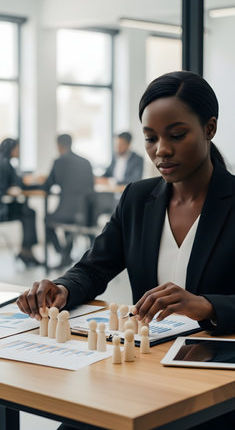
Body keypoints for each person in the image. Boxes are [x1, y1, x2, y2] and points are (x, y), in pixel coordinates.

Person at [17, 71, 235, 429]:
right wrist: (63, 289)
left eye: (176, 135)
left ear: (210, 128)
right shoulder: (138, 198)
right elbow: (94, 267)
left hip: (212, 380)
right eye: (151, 138)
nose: (161, 150)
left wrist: (208, 305)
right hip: (143, 367)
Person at [43, 134, 94, 267]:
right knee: (68, 225)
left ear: (59, 145)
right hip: (85, 213)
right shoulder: (85, 162)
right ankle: (66, 254)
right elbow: (91, 187)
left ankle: (62, 252)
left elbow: (47, 185)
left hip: (65, 213)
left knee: (47, 220)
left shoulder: (58, 162)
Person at [0, 138, 40, 266]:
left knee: (26, 210)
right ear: (11, 149)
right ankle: (26, 251)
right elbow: (22, 185)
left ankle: (26, 251)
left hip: (2, 206)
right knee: (29, 212)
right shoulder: (6, 163)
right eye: (17, 148)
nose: (18, 151)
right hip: (2, 211)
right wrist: (39, 184)